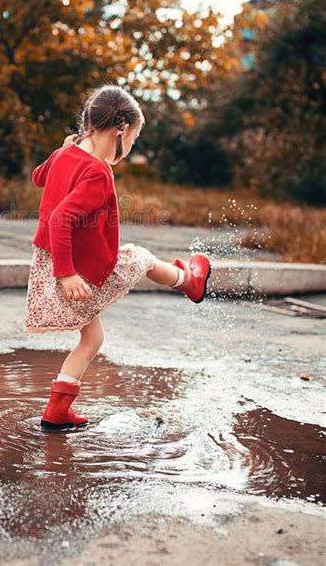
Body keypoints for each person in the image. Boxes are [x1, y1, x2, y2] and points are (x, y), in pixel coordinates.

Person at [24, 84, 211, 431]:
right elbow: (62, 219)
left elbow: (39, 177)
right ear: (120, 131)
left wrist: (60, 152)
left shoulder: (69, 153)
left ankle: (57, 411)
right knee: (141, 258)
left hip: (53, 261)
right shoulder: (97, 172)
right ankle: (190, 281)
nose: (130, 147)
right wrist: (67, 275)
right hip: (78, 270)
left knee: (92, 339)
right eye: (134, 140)